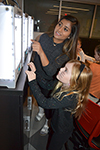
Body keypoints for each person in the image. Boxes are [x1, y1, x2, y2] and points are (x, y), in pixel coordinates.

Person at [25, 59, 92, 150]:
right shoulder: (62, 83)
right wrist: (35, 73)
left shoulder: (69, 97)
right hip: (56, 122)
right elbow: (47, 85)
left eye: (66, 70)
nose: (60, 69)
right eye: (64, 67)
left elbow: (45, 103)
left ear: (74, 80)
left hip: (62, 131)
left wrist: (32, 82)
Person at [30, 15, 80, 135]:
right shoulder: (44, 37)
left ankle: (47, 121)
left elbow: (51, 72)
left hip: (50, 84)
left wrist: (41, 51)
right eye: (60, 24)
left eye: (65, 29)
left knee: (48, 106)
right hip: (37, 77)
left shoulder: (66, 51)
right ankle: (41, 111)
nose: (59, 30)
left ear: (70, 35)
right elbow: (35, 57)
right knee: (38, 98)